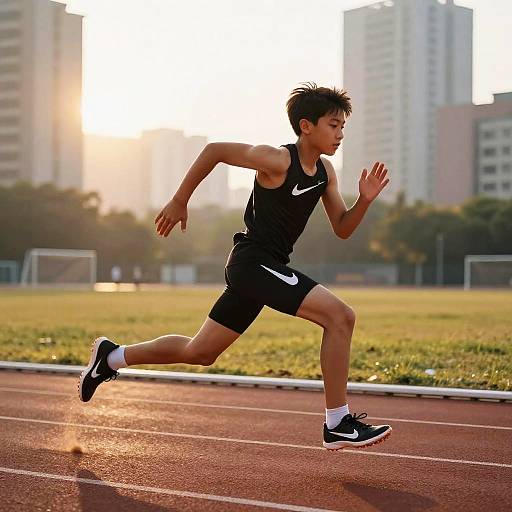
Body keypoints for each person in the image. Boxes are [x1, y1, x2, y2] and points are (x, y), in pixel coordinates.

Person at [78, 82, 392, 451]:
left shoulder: (325, 173)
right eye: (333, 125)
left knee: (201, 352)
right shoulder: (277, 160)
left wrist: (366, 202)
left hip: (266, 267)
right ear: (306, 126)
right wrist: (180, 200)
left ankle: (111, 356)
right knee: (341, 317)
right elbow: (215, 151)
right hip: (253, 262)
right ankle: (337, 422)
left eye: (342, 128)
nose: (339, 134)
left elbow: (342, 228)